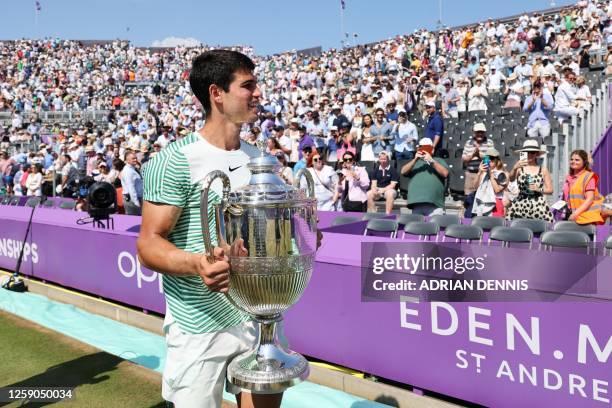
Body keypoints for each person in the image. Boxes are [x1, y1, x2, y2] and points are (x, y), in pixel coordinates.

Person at [137, 50, 284, 408]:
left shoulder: (261, 160)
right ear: (216, 93)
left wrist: (298, 237)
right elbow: (148, 245)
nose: (258, 93)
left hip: (258, 316)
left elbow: (273, 237)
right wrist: (198, 264)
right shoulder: (175, 159)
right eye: (247, 85)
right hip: (198, 324)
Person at [506, 140, 553, 222]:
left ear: (537, 154)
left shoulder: (543, 170)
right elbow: (511, 179)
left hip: (538, 205)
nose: (529, 155)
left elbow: (550, 190)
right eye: (527, 152)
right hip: (520, 204)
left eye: (532, 152)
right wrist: (514, 168)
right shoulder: (519, 168)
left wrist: (538, 189)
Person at [400, 138, 449, 216]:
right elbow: (403, 171)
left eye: (428, 148)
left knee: (434, 227)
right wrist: (415, 159)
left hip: (434, 203)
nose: (425, 150)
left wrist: (431, 161)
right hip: (416, 203)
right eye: (422, 147)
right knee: (417, 228)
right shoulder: (414, 162)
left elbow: (445, 173)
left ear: (432, 149)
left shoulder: (438, 160)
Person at [562, 150, 604, 225]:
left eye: (577, 160)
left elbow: (590, 199)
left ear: (584, 162)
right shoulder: (568, 178)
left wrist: (575, 214)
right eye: (571, 159)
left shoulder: (588, 177)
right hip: (571, 215)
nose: (573, 161)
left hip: (586, 217)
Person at [471, 148, 508, 217]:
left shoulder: (502, 174)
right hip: (482, 203)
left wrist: (491, 175)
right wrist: (479, 172)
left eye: (492, 158)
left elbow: (497, 190)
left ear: (497, 160)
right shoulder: (483, 172)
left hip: (496, 204)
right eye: (487, 158)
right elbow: (474, 187)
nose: (489, 160)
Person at [121, 151, 143, 216]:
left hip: (135, 199)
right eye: (133, 158)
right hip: (132, 200)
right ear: (127, 160)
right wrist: (136, 203)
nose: (135, 160)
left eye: (136, 158)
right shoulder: (128, 171)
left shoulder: (132, 169)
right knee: (134, 220)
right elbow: (131, 188)